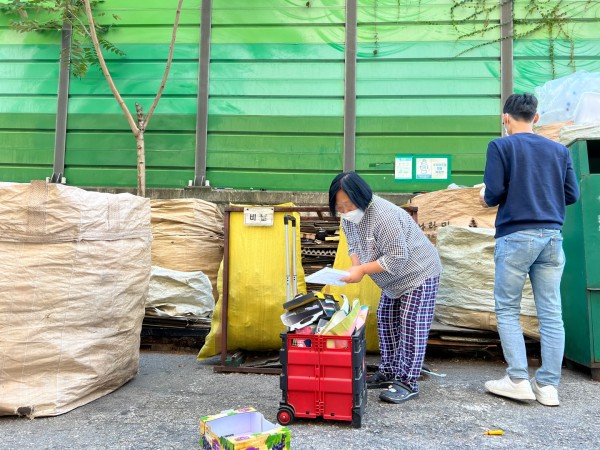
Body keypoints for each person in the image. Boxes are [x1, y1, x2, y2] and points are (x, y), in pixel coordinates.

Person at [481, 93, 580, 406]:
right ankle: (548, 387)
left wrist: (487, 194)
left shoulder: (500, 146)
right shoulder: (558, 150)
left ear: (505, 118)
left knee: (508, 309)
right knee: (551, 313)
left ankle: (518, 379)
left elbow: (493, 193)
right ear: (536, 118)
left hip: (515, 237)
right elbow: (572, 195)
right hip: (552, 237)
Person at [328, 172, 442, 404]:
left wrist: (362, 271)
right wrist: (355, 266)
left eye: (348, 205)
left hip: (418, 273)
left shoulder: (384, 215)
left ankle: (407, 382)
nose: (344, 211)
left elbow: (398, 257)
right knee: (386, 319)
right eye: (339, 207)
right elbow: (352, 244)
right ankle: (389, 371)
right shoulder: (349, 218)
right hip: (392, 280)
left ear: (361, 197)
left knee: (412, 326)